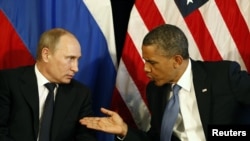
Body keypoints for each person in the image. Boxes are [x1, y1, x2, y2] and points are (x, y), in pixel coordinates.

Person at [79, 24, 250, 141]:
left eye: (152, 63)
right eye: (145, 61)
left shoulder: (223, 76)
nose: (146, 69)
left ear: (176, 60)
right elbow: (157, 138)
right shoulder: (155, 90)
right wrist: (124, 130)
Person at [0, 28, 97, 141]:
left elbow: (86, 138)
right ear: (46, 55)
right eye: (70, 58)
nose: (76, 68)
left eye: (77, 59)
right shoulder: (8, 82)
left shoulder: (80, 94)